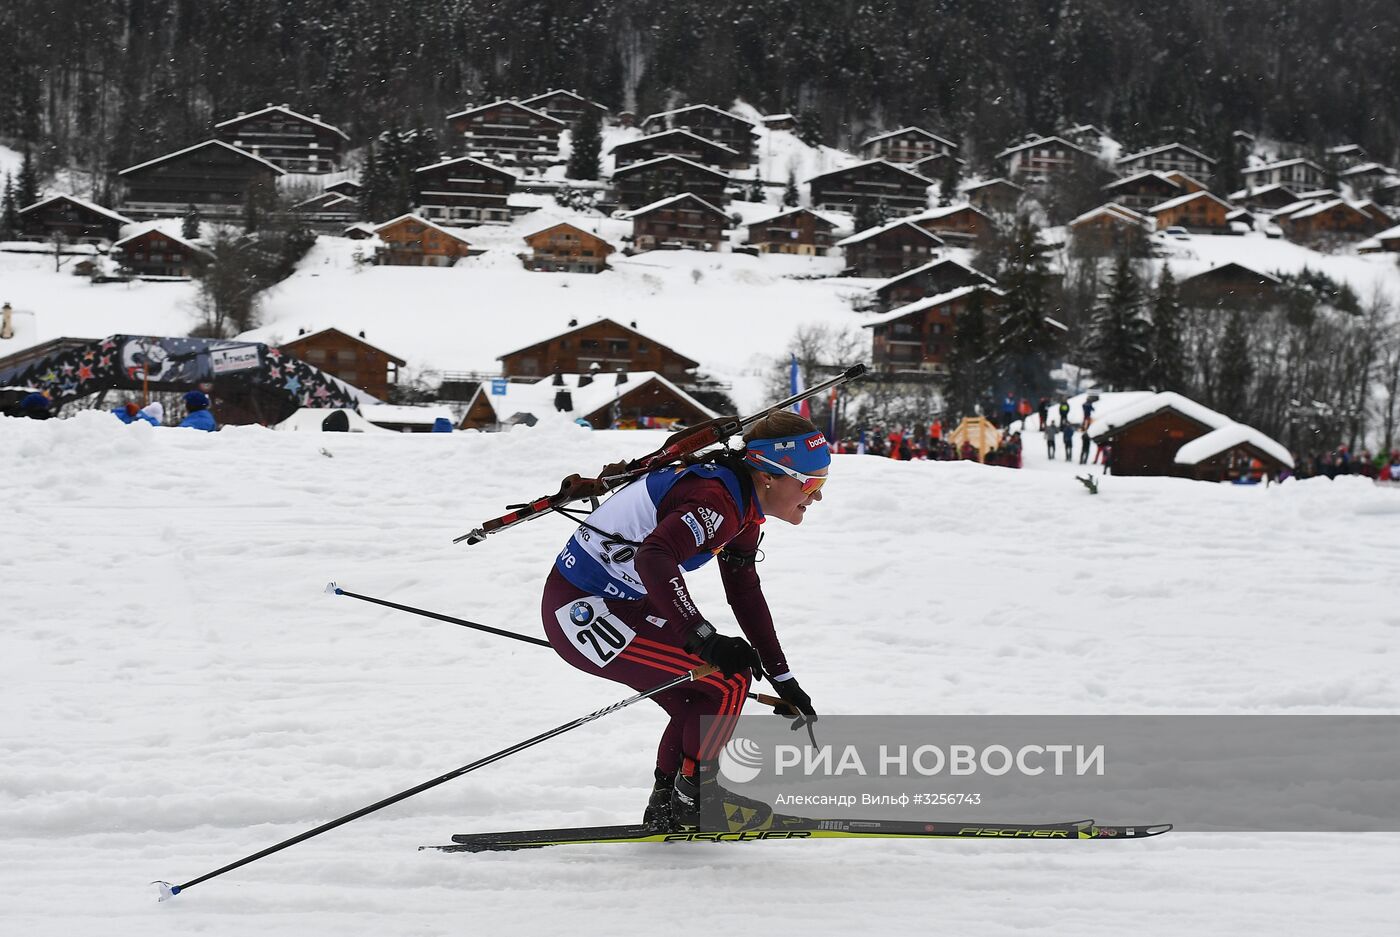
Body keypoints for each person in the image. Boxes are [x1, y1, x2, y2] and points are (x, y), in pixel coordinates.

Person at [541, 411, 824, 832]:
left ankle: (671, 801)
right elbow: (653, 557)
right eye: (812, 484)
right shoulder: (717, 502)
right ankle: (697, 797)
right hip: (584, 611)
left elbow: (743, 589)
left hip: (621, 602)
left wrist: (782, 675)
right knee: (727, 680)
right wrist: (702, 638)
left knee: (704, 696)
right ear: (768, 475)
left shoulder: (740, 501)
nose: (817, 497)